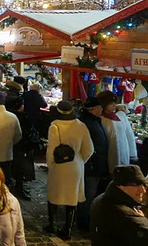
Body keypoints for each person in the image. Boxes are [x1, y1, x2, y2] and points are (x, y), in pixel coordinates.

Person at [45, 100, 94, 240]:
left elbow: (51, 149)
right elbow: (89, 149)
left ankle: (52, 225)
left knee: (54, 195)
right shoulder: (81, 125)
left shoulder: (55, 126)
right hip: (76, 166)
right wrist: (79, 160)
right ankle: (68, 230)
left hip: (59, 166)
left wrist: (51, 164)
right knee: (72, 199)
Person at [90, 165, 148, 245]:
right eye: (135, 184)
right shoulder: (122, 212)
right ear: (120, 186)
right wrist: (143, 219)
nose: (143, 190)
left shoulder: (102, 198)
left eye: (143, 184)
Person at [77, 97, 110, 231]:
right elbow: (87, 147)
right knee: (87, 195)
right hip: (91, 166)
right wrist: (89, 162)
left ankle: (87, 221)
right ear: (93, 109)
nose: (102, 109)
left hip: (96, 164)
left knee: (91, 194)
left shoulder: (94, 121)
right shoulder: (87, 123)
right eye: (99, 107)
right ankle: (84, 223)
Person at [5, 96, 39, 201]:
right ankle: (18, 189)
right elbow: (23, 133)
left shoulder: (9, 116)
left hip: (12, 146)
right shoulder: (21, 118)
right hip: (20, 147)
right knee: (19, 169)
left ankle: (16, 188)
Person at [96, 91, 137, 174]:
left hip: (124, 154)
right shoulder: (101, 120)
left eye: (114, 103)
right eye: (111, 103)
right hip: (109, 159)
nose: (114, 105)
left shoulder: (120, 116)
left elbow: (129, 135)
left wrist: (133, 154)